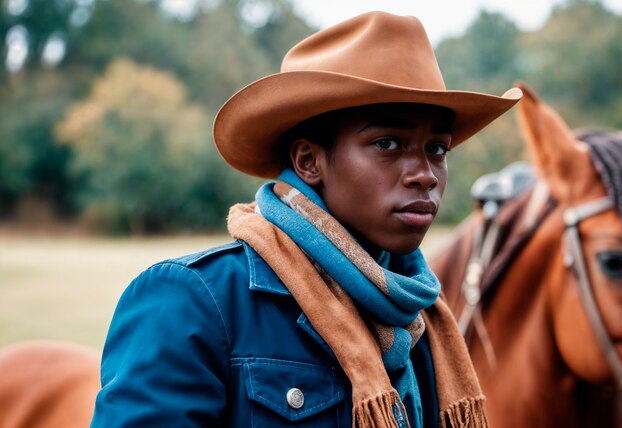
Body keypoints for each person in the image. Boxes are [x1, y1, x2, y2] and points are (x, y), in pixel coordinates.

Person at [90, 11, 521, 428]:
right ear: (309, 161)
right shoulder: (196, 301)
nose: (424, 174)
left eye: (438, 149)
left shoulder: (422, 320)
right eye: (388, 143)